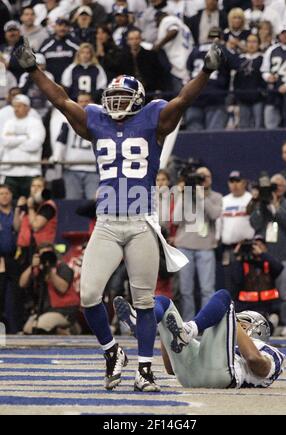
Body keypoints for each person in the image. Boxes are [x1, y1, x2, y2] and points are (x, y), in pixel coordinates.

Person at [13, 34, 223, 392]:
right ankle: (112, 353)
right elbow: (61, 99)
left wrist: (205, 70)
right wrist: (34, 70)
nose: (116, 104)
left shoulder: (154, 117)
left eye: (124, 99)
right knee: (89, 295)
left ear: (139, 101)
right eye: (112, 99)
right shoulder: (96, 119)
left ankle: (144, 369)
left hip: (141, 222)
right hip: (108, 223)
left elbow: (184, 98)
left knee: (143, 301)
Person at [113, 290, 285, 389]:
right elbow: (170, 368)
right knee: (164, 303)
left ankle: (191, 328)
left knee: (224, 297)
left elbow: (256, 361)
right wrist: (165, 329)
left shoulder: (268, 351)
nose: (238, 322)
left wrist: (235, 324)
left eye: (244, 323)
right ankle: (146, 322)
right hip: (192, 375)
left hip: (222, 375)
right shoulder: (219, 349)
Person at [250, 174, 286, 336]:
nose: (276, 188)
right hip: (264, 255)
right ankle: (264, 322)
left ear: (284, 188)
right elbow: (254, 223)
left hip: (282, 254)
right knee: (263, 290)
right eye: (274, 185)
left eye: (280, 185)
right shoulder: (262, 205)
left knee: (284, 290)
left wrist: (276, 206)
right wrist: (259, 203)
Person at [174, 167, 223, 320]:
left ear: (211, 179)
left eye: (206, 176)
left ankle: (206, 322)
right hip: (184, 245)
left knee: (207, 289)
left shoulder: (216, 197)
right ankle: (189, 323)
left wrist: (202, 197)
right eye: (199, 177)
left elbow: (215, 214)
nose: (203, 179)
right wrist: (184, 194)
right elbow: (175, 219)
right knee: (185, 290)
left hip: (205, 246)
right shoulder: (184, 194)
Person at [20, 243, 80, 335]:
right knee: (28, 330)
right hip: (45, 311)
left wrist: (50, 271)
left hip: (64, 310)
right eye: (43, 255)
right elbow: (22, 284)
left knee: (39, 328)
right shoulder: (37, 269)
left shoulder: (62, 267)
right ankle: (61, 330)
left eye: (48, 254)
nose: (45, 258)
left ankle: (68, 327)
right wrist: (32, 266)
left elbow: (62, 288)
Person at [52, 92, 99, 200]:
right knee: (72, 201)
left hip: (93, 169)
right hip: (72, 168)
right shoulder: (68, 120)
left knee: (94, 202)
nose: (83, 104)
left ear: (92, 102)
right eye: (80, 102)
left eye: (86, 101)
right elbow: (61, 140)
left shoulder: (100, 121)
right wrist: (57, 156)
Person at [0, 94, 46, 198]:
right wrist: (25, 137)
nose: (16, 109)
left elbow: (34, 145)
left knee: (31, 203)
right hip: (10, 172)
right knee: (9, 204)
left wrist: (14, 138)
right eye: (14, 106)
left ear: (27, 107)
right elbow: (5, 142)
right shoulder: (9, 123)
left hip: (30, 172)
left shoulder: (36, 123)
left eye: (19, 106)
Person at [218, 170, 255, 293]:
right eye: (231, 181)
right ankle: (234, 312)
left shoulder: (251, 199)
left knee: (250, 285)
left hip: (248, 249)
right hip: (229, 250)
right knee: (230, 285)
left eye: (237, 181)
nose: (234, 185)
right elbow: (219, 223)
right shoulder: (224, 200)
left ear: (244, 183)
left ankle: (250, 312)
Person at [261, 24, 286, 129]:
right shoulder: (272, 50)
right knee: (270, 125)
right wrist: (268, 77)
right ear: (279, 35)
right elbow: (264, 70)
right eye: (282, 33)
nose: (285, 36)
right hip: (273, 92)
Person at [14, 176, 57, 268]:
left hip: (41, 251)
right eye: (33, 186)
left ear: (44, 189)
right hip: (24, 251)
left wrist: (30, 208)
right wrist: (18, 208)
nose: (35, 188)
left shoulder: (48, 206)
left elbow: (36, 226)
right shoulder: (28, 204)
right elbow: (16, 227)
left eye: (39, 186)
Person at [233, 33, 265, 129]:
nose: (251, 44)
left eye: (254, 42)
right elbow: (236, 79)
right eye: (249, 42)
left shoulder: (262, 58)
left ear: (259, 44)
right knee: (243, 126)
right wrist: (236, 95)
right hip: (243, 98)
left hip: (258, 98)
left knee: (258, 125)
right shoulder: (239, 59)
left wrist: (262, 92)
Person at [0, 184, 19, 333]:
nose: (4, 196)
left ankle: (14, 329)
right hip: (0, 258)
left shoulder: (16, 213)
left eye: (6, 193)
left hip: (15, 259)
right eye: (1, 194)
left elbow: (18, 229)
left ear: (11, 195)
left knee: (13, 295)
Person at [39, 18, 80, 83]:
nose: (62, 28)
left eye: (65, 26)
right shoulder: (47, 43)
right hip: (50, 81)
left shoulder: (74, 42)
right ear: (55, 27)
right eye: (60, 25)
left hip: (70, 81)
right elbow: (39, 59)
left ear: (69, 28)